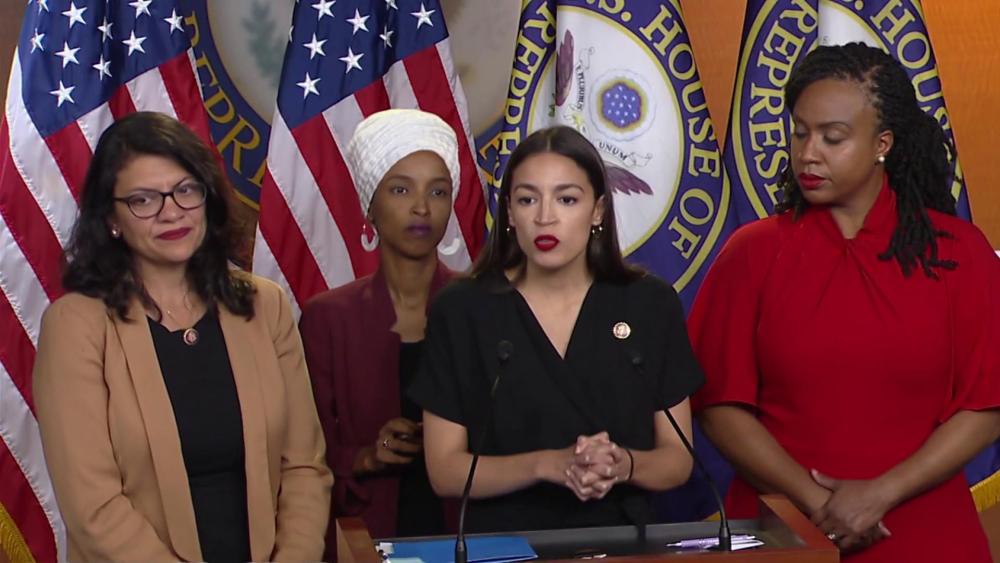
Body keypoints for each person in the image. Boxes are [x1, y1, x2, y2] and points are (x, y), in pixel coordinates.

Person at [688, 43, 1000, 562]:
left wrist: (879, 494)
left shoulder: (959, 253)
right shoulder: (752, 253)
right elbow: (720, 407)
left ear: (882, 144)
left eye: (832, 137)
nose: (809, 153)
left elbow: (984, 407)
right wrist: (817, 503)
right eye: (799, 132)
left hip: (922, 534)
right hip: (786, 531)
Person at [32, 112, 332, 562]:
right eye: (143, 200)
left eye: (185, 190)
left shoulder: (263, 306)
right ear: (111, 219)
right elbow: (93, 508)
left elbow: (304, 467)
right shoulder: (76, 326)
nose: (171, 211)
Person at [408, 125, 703, 532]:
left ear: (598, 210)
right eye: (527, 199)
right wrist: (547, 465)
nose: (545, 217)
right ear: (510, 213)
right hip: (503, 547)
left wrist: (623, 465)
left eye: (567, 199)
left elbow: (678, 459)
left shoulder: (649, 304)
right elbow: (444, 471)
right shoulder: (461, 310)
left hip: (622, 541)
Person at [299, 109, 460, 552]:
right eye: (401, 189)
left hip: (469, 533)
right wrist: (365, 457)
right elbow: (301, 452)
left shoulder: (482, 307)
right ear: (370, 204)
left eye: (438, 191)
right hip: (367, 536)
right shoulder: (327, 318)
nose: (422, 208)